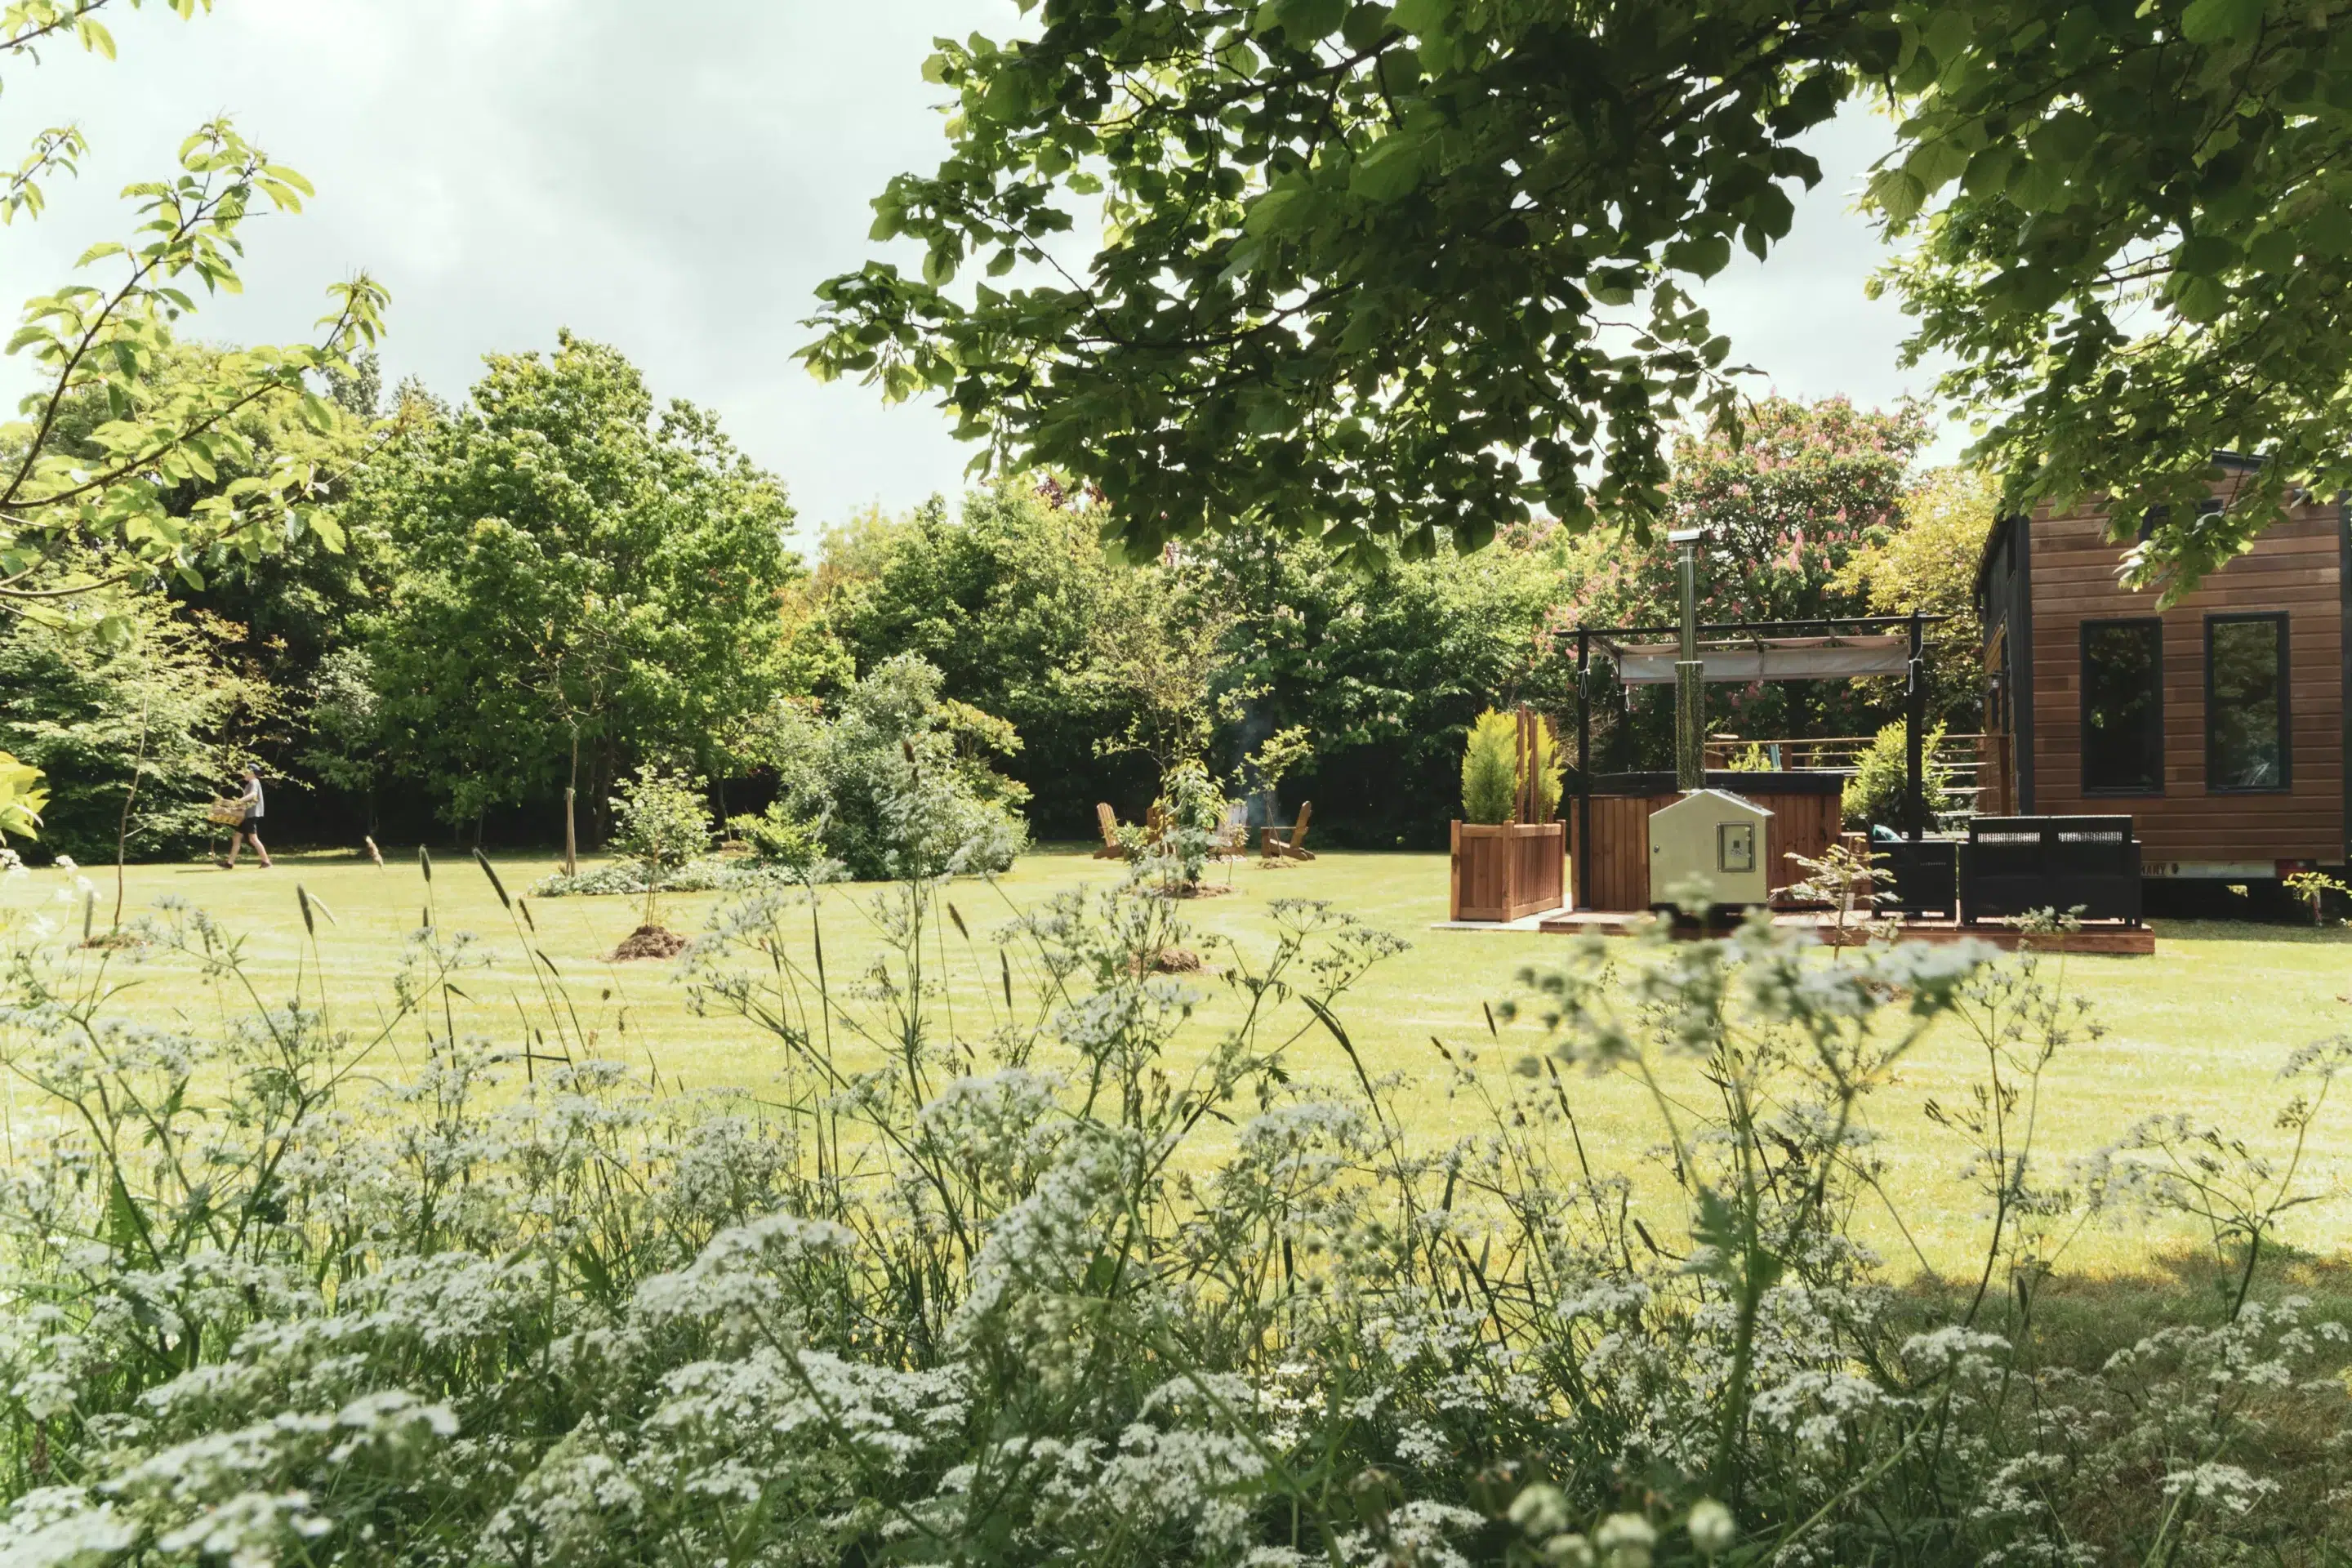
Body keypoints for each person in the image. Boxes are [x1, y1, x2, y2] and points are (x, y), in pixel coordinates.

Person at [221, 764, 272, 869]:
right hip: (247, 814)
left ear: (252, 773)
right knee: (237, 837)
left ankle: (266, 862)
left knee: (253, 839)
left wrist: (239, 801)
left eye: (245, 772)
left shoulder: (254, 782)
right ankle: (229, 863)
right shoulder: (250, 783)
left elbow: (253, 795)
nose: (243, 773)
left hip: (252, 814)